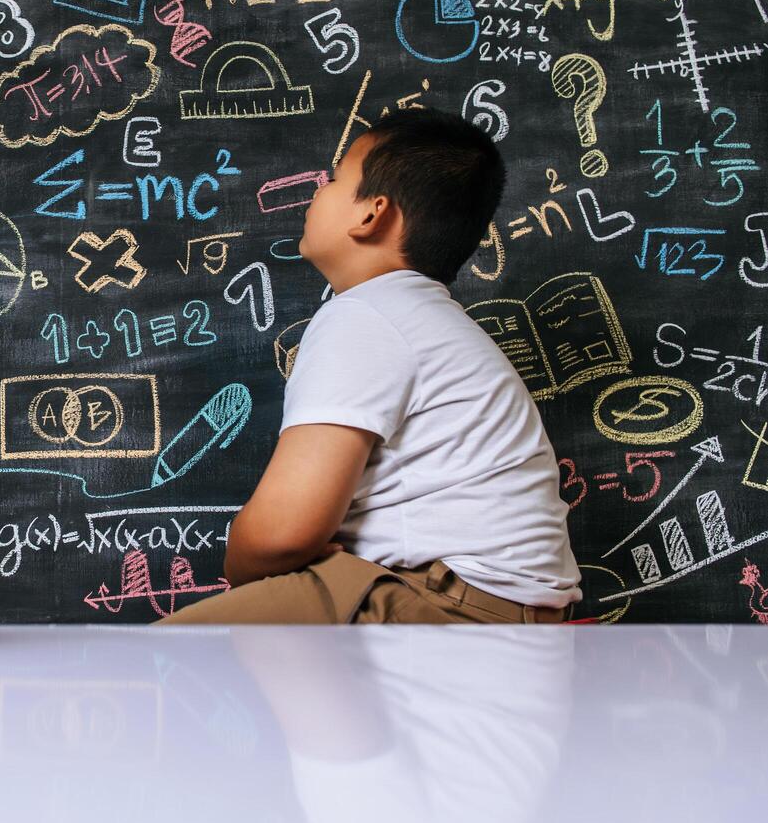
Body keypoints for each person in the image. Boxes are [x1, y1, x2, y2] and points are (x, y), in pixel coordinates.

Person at [159, 108, 582, 625]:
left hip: (450, 607)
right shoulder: (419, 315)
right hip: (491, 607)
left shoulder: (367, 314)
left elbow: (280, 533)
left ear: (371, 214)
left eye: (335, 179)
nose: (318, 189)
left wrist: (244, 563)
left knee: (159, 673)